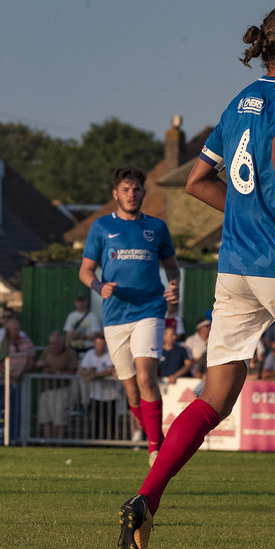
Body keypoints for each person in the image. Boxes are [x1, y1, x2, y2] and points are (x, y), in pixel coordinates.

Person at [117, 7, 275, 549]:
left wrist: (247, 215)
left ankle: (145, 500)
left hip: (234, 267)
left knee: (216, 395)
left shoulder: (240, 103)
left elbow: (196, 180)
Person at [80, 166, 180, 466]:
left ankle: (155, 450)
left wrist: (173, 286)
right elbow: (85, 270)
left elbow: (172, 268)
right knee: (131, 390)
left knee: (147, 378)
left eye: (136, 189)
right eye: (126, 189)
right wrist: (99, 285)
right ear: (116, 194)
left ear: (143, 193)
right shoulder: (100, 227)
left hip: (149, 310)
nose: (132, 194)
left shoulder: (157, 228)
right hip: (115, 316)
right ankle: (155, 439)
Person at [34, 330, 79, 440]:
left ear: (62, 342)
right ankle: (48, 444)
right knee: (46, 419)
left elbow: (73, 371)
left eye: (56, 343)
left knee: (60, 420)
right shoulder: (47, 351)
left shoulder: (70, 354)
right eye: (51, 343)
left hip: (61, 390)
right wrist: (40, 365)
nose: (53, 346)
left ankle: (60, 444)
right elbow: (39, 363)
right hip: (46, 390)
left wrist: (55, 373)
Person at [80, 333, 121, 439]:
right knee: (96, 421)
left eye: (102, 344)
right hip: (95, 394)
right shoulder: (89, 354)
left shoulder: (110, 354)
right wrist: (88, 372)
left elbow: (110, 370)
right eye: (98, 343)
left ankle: (111, 442)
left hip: (110, 395)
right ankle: (95, 441)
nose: (100, 346)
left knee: (110, 421)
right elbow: (82, 369)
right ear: (94, 344)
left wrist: (93, 375)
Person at [0, 318, 35, 383]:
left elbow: (31, 363)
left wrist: (21, 372)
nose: (18, 332)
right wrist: (11, 375)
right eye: (15, 329)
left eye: (18, 329)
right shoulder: (0, 345)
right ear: (8, 330)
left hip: (23, 381)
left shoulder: (27, 342)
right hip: (4, 381)